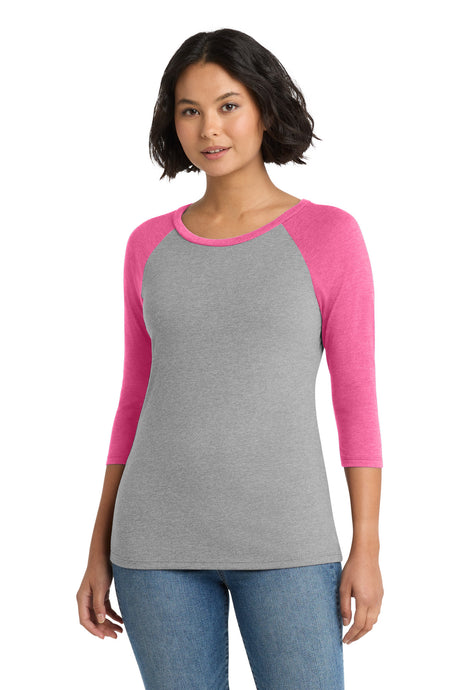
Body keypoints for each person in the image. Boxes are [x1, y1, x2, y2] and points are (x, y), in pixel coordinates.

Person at [76, 27, 384, 690]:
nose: (208, 128)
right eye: (189, 110)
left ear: (264, 108)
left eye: (227, 105)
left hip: (288, 543)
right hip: (153, 546)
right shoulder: (148, 246)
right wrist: (98, 545)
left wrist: (368, 544)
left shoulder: (329, 235)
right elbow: (134, 400)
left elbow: (356, 400)